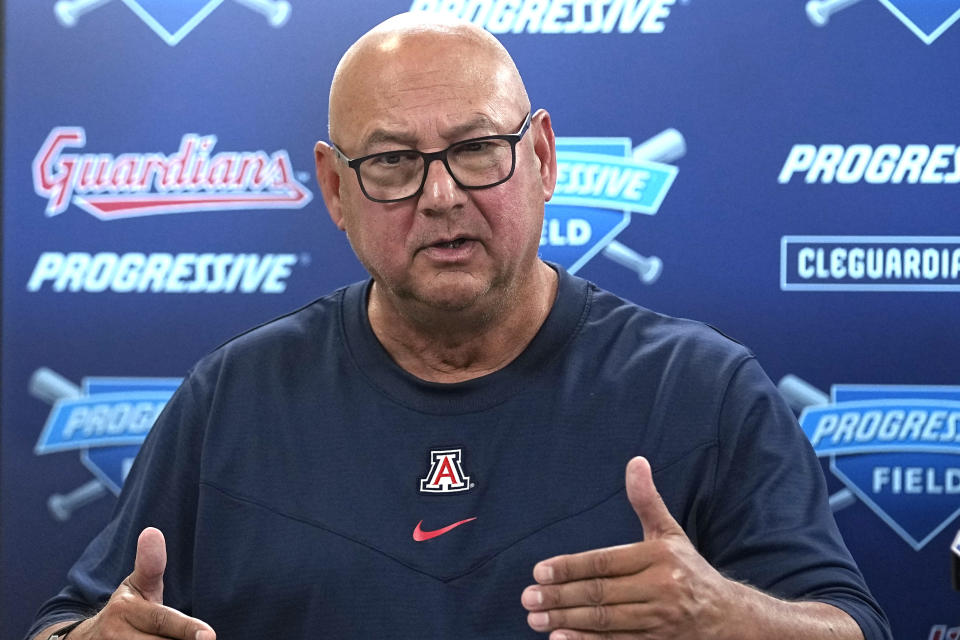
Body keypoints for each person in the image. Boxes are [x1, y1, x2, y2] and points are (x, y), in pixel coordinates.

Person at [27, 13, 891, 640]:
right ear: (335, 189)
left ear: (544, 159)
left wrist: (730, 619)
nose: (442, 196)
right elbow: (72, 622)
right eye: (395, 161)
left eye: (478, 149)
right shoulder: (234, 398)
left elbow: (850, 626)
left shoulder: (701, 388)